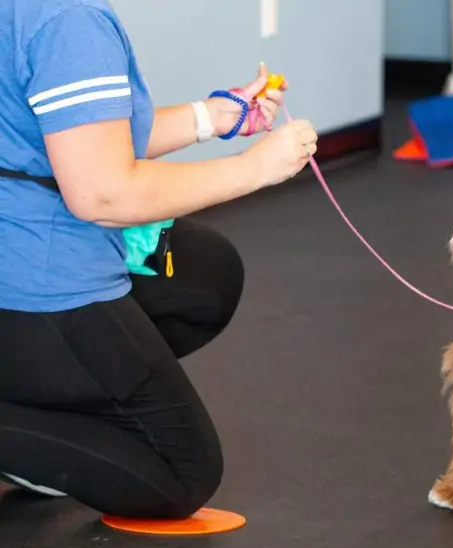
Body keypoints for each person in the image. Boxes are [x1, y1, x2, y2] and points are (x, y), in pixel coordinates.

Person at [0, 0, 318, 518]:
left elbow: (83, 134)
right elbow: (102, 193)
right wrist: (253, 170)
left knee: (204, 274)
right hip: (30, 284)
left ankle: (40, 415)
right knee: (181, 472)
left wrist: (212, 118)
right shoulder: (68, 18)